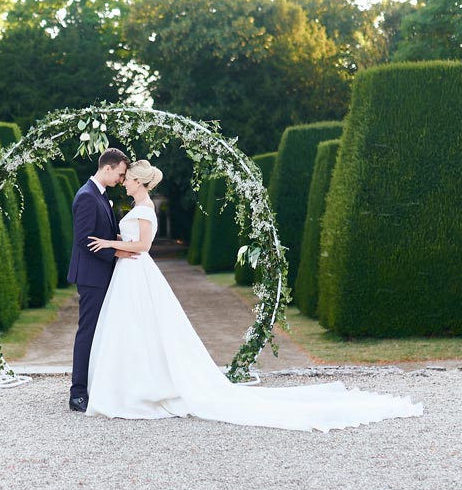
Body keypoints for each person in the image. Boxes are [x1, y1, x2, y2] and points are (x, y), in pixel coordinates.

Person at [83, 159, 423, 431]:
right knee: (133, 330)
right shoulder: (137, 206)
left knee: (139, 327)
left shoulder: (144, 209)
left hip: (137, 272)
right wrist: (117, 249)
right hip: (130, 274)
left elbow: (142, 246)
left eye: (128, 178)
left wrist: (111, 244)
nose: (124, 181)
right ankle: (130, 382)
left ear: (139, 182)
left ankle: (137, 388)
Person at [65, 148, 134, 413]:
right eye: (119, 174)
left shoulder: (101, 195)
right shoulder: (86, 196)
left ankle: (95, 385)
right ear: (107, 168)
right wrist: (119, 252)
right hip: (92, 276)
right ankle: (77, 393)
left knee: (101, 331)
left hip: (102, 274)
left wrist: (122, 242)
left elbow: (102, 233)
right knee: (88, 332)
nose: (120, 179)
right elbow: (84, 240)